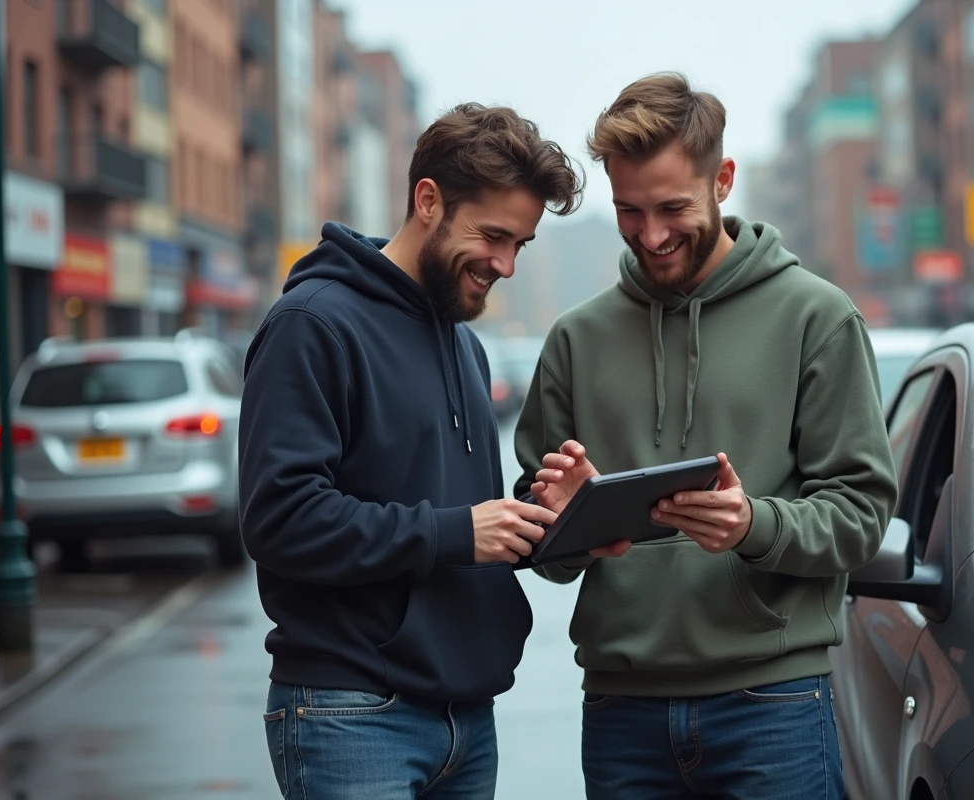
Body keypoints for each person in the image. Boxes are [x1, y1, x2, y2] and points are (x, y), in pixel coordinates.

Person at [514, 73, 899, 799]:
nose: (651, 236)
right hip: (622, 711)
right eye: (630, 211)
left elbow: (862, 516)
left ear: (722, 180)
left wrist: (756, 524)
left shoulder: (817, 318)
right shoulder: (576, 339)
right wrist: (560, 520)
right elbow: (540, 549)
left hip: (773, 706)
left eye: (671, 208)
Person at [238, 102, 586, 800]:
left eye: (521, 243)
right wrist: (457, 530)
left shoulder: (463, 340)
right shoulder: (313, 325)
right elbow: (279, 518)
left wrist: (555, 521)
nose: (507, 263)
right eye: (493, 235)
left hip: (467, 716)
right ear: (428, 200)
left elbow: (460, 526)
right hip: (352, 714)